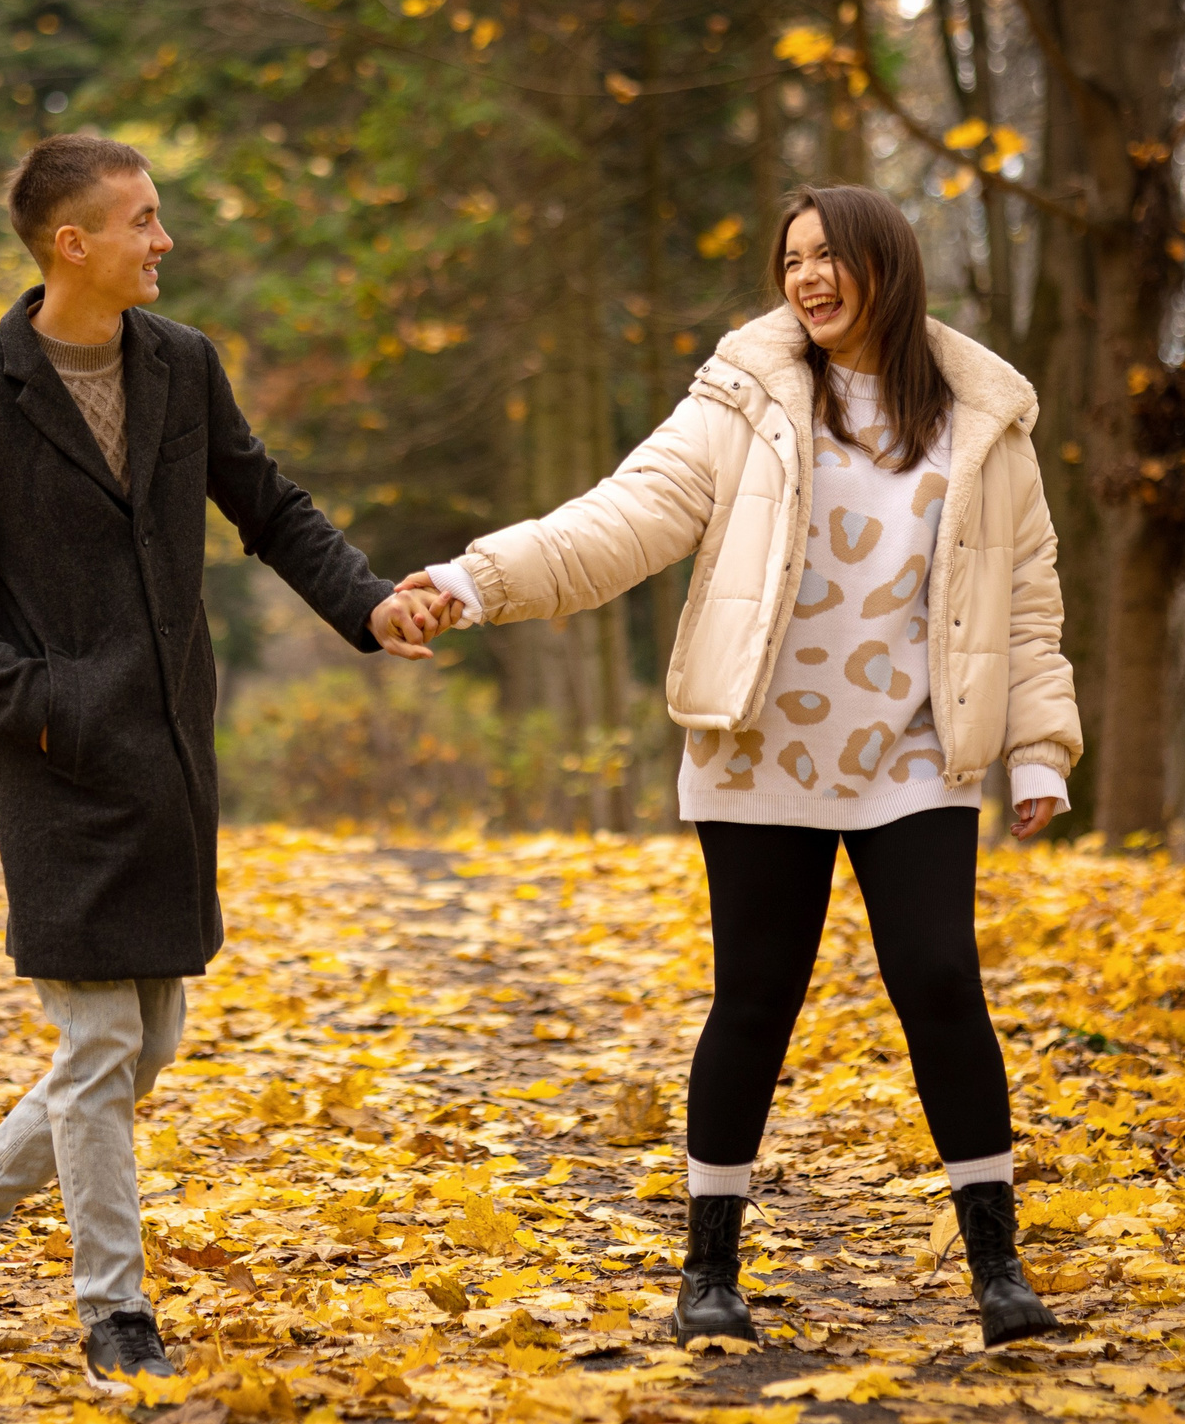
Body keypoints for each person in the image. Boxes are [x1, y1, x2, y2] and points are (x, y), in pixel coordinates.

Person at [404, 184, 1079, 1350]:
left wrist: (1040, 749)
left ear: (888, 266)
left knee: (939, 983)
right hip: (760, 749)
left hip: (917, 755)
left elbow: (1023, 605)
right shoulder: (743, 402)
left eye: (830, 257)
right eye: (792, 258)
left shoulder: (983, 423)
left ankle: (999, 1268)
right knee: (756, 999)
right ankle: (707, 1271)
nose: (807, 277)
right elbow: (618, 522)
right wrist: (473, 583)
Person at [0, 134, 446, 1392]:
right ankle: (113, 1316)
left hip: (172, 760)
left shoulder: (183, 366)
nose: (165, 240)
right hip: (56, 761)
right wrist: (37, 701)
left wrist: (366, 606)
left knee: (147, 1046)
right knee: (94, 1051)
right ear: (70, 244)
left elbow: (271, 504)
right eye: (143, 220)